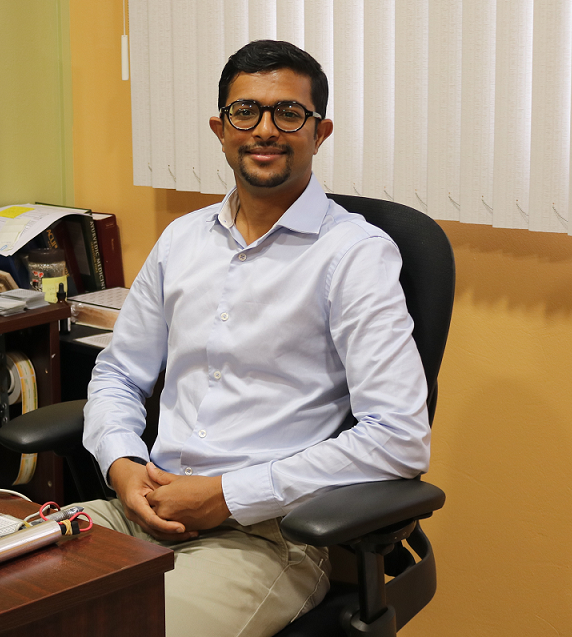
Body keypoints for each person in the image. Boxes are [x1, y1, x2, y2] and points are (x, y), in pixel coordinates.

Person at [80, 39, 431, 636]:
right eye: (246, 112)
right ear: (221, 129)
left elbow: (398, 440)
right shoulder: (182, 240)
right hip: (138, 507)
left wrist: (229, 494)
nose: (265, 129)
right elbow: (118, 373)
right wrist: (121, 463)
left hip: (266, 540)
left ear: (319, 133)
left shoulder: (354, 256)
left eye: (288, 113)